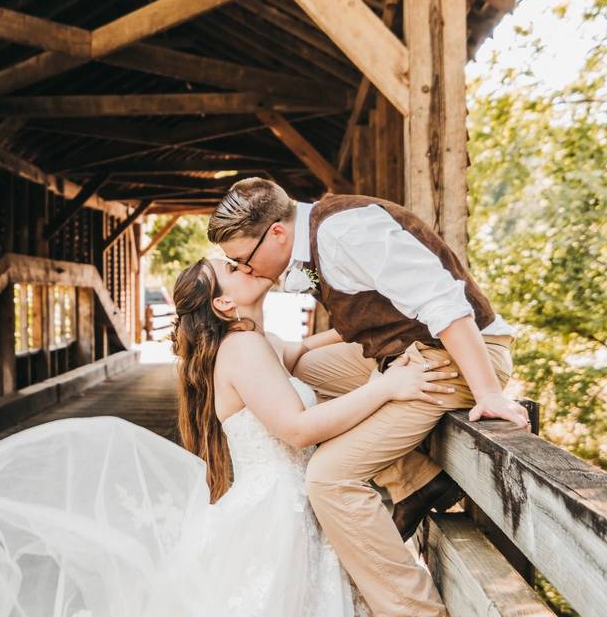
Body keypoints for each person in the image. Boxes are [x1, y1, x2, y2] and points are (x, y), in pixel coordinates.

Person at [0, 257, 456, 617]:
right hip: (279, 515)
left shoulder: (257, 342)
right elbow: (298, 429)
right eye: (229, 267)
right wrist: (389, 389)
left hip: (287, 505)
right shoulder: (243, 347)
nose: (240, 262)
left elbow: (302, 350)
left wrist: (393, 329)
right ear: (224, 302)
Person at [207, 177, 526, 616]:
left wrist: (488, 390)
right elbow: (374, 311)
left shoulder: (345, 232)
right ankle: (414, 479)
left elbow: (443, 300)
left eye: (243, 258)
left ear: (276, 233)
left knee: (328, 479)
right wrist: (302, 353)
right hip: (397, 356)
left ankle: (415, 611)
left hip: (447, 357)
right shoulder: (313, 238)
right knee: (296, 372)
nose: (246, 269)